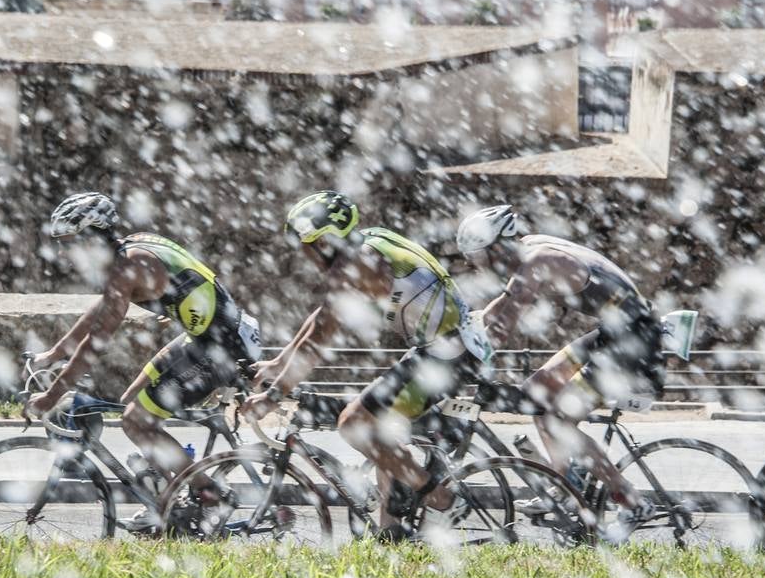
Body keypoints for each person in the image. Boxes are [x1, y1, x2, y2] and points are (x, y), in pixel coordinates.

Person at [240, 191, 488, 540]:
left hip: (446, 354)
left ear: (323, 241)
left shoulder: (352, 267)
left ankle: (442, 498)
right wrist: (280, 362)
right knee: (383, 436)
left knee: (354, 422)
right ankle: (392, 535)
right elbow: (323, 317)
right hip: (448, 347)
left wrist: (273, 393)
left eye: (306, 245)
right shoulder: (371, 244)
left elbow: (321, 336)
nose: (304, 254)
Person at [26, 192, 262, 523]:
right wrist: (54, 353)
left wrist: (51, 396)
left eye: (69, 242)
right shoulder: (128, 251)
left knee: (136, 421)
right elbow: (103, 308)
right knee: (130, 401)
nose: (64, 252)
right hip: (211, 337)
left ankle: (211, 498)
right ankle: (174, 494)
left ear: (92, 237)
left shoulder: (130, 266)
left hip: (222, 348)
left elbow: (97, 341)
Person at [455, 204, 661, 529]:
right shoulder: (530, 249)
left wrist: (464, 360)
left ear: (498, 246)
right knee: (538, 392)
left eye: (480, 259)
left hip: (633, 342)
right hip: (618, 332)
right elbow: (504, 304)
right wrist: (467, 326)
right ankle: (566, 487)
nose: (479, 268)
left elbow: (505, 321)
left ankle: (632, 501)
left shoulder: (538, 261)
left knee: (558, 419)